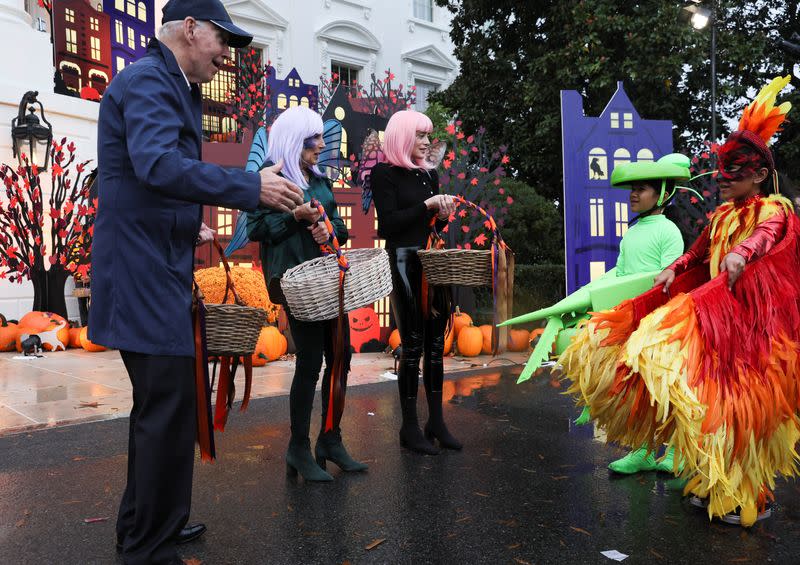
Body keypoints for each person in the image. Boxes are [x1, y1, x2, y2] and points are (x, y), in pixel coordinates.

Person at [89, 1, 304, 563]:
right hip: (141, 275)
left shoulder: (166, 83)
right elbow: (158, 165)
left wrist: (190, 223)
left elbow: (150, 182)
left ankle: (147, 525)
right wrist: (248, 186)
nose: (227, 55)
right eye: (222, 41)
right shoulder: (147, 81)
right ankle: (149, 547)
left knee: (161, 407)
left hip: (152, 267)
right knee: (168, 407)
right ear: (189, 28)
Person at [561, 76, 800, 527]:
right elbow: (701, 249)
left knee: (742, 409)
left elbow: (767, 240)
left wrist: (741, 252)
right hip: (717, 321)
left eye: (735, 173)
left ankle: (752, 497)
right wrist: (679, 266)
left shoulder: (774, 211)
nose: (723, 182)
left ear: (761, 175)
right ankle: (712, 482)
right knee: (709, 403)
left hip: (750, 328)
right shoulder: (724, 214)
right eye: (722, 173)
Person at [247, 106, 367, 481]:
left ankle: (330, 439)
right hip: (295, 282)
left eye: (319, 138)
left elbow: (341, 231)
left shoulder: (319, 181)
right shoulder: (270, 177)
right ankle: (298, 447)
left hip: (328, 280)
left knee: (341, 356)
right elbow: (257, 229)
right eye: (312, 139)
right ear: (293, 140)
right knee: (311, 360)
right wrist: (294, 219)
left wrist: (327, 229)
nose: (320, 145)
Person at [371, 110, 460, 455]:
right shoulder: (384, 174)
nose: (426, 143)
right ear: (403, 137)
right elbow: (390, 225)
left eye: (428, 136)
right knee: (412, 344)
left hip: (429, 261)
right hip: (403, 262)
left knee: (437, 344)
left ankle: (436, 422)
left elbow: (430, 229)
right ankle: (409, 427)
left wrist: (440, 216)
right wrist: (427, 205)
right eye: (420, 136)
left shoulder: (429, 175)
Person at [594, 155, 686, 475]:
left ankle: (676, 450)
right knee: (639, 389)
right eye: (631, 189)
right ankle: (643, 450)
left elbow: (671, 277)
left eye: (641, 189)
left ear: (661, 194)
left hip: (661, 322)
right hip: (634, 321)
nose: (633, 194)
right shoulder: (631, 232)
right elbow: (621, 275)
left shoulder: (669, 231)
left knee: (668, 387)